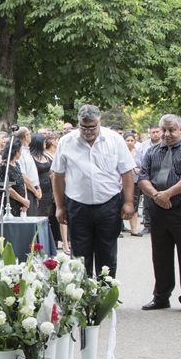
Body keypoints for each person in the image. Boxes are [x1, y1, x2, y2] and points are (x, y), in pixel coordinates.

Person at [51, 104, 135, 277]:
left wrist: (128, 202)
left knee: (107, 254)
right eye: (84, 127)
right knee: (80, 257)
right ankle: (82, 292)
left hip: (109, 205)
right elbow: (58, 175)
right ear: (78, 123)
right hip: (78, 206)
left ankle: (106, 292)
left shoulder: (114, 139)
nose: (88, 131)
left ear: (99, 122)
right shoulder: (66, 142)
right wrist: (60, 206)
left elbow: (127, 172)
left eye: (92, 127)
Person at [137, 114, 181, 313]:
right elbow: (143, 177)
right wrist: (156, 195)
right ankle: (161, 297)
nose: (167, 134)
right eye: (164, 130)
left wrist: (167, 194)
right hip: (158, 209)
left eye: (172, 130)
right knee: (160, 255)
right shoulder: (151, 151)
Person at [0, 139, 29, 216]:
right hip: (10, 204)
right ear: (15, 151)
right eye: (20, 151)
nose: (21, 153)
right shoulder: (4, 166)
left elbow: (21, 183)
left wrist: (25, 202)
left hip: (20, 204)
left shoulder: (17, 164)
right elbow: (7, 188)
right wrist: (23, 201)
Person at [123, 131, 143, 236]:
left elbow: (143, 165)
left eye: (132, 140)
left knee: (134, 205)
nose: (130, 142)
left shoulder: (139, 153)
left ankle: (134, 229)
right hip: (122, 183)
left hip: (135, 181)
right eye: (127, 140)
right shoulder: (120, 152)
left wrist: (139, 170)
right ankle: (117, 229)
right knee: (120, 205)